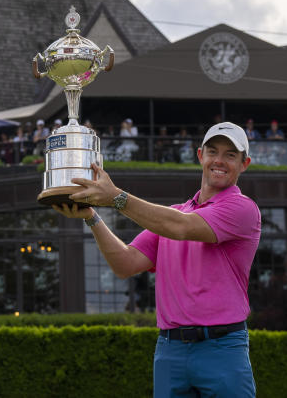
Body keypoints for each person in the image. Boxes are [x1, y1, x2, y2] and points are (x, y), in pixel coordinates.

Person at [55, 121, 260, 397]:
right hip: (170, 350)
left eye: (230, 155)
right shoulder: (173, 215)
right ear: (200, 156)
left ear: (244, 164)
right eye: (213, 152)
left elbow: (182, 227)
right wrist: (92, 217)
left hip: (222, 347)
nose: (219, 161)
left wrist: (116, 197)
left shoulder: (242, 209)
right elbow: (125, 263)